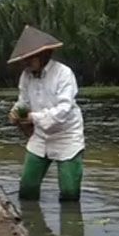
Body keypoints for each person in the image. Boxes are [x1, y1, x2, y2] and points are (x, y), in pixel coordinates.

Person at [7, 25, 85, 202]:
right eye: (24, 59)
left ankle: (71, 225)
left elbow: (63, 110)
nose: (25, 63)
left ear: (43, 55)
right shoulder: (26, 76)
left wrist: (33, 117)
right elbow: (23, 101)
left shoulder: (63, 74)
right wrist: (16, 112)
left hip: (67, 136)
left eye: (29, 58)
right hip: (40, 136)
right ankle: (29, 222)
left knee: (69, 193)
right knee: (27, 189)